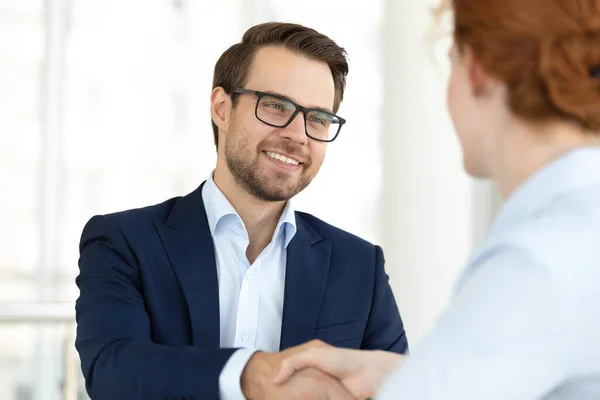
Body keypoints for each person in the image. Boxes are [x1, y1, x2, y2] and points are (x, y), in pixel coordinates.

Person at [274, 0, 600, 399]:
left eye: (452, 63)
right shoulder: (577, 224)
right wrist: (404, 375)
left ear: (479, 72)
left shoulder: (537, 260)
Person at [74, 22, 408, 400]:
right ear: (222, 108)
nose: (298, 134)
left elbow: (403, 389)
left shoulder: (359, 266)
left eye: (317, 118)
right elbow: (112, 371)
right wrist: (248, 374)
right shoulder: (126, 242)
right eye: (276, 106)